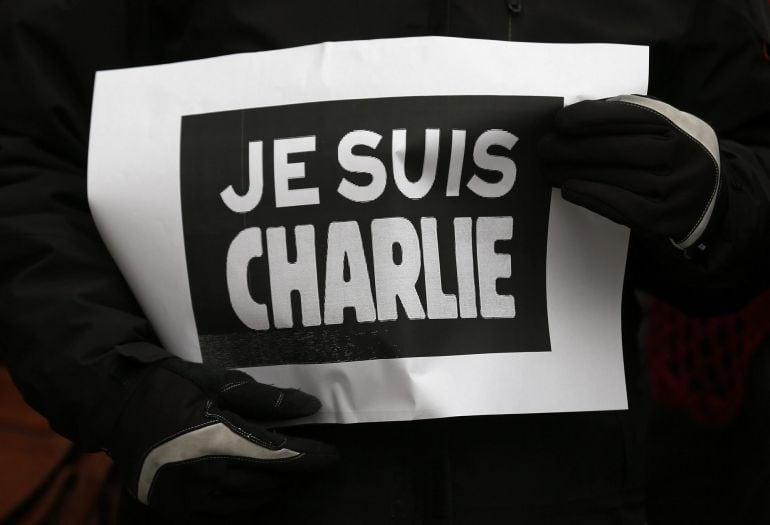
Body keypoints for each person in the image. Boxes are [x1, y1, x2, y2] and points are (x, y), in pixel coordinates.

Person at [1, 1, 768, 523]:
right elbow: (25, 153)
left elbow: (750, 145)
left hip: (570, 491)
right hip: (243, 488)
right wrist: (124, 392)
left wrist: (713, 197)